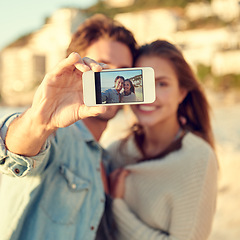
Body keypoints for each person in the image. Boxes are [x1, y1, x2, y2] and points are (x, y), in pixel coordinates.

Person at [0, 14, 137, 240]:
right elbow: (14, 154)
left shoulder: (106, 160)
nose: (112, 78)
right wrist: (40, 121)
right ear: (78, 68)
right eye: (102, 66)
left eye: (122, 70)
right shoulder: (54, 135)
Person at [107, 40, 218, 240]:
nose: (149, 95)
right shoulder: (115, 153)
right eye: (141, 82)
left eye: (162, 84)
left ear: (182, 93)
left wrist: (117, 206)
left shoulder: (198, 158)